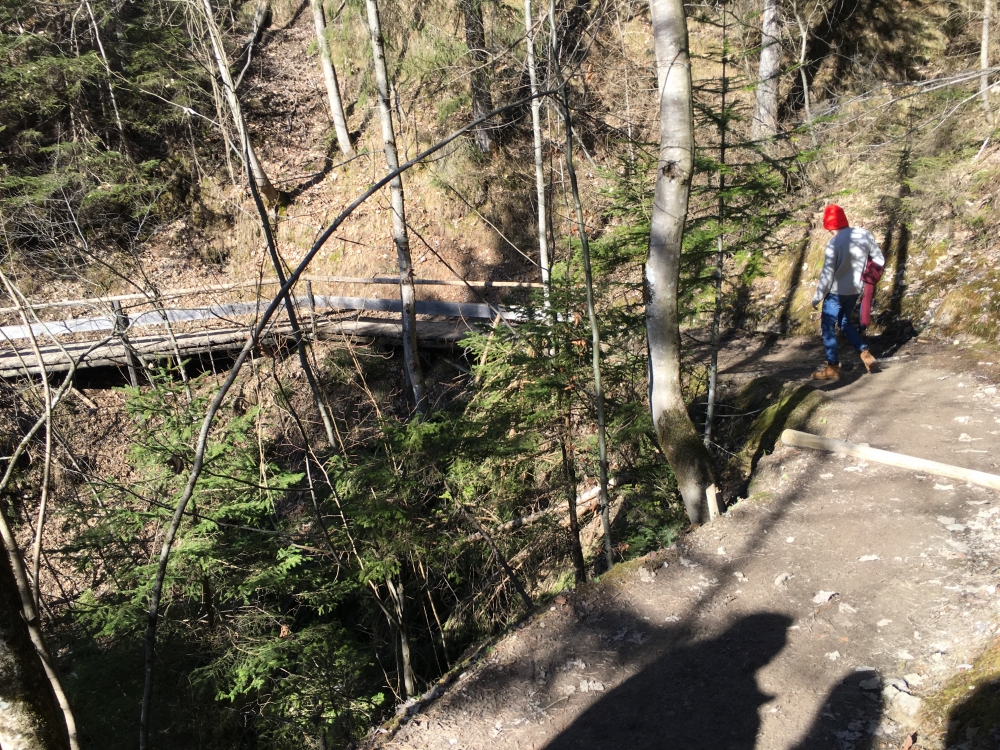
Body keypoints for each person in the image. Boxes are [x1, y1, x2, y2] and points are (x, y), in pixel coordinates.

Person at [810, 204, 884, 380]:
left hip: (836, 292)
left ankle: (832, 367)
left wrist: (817, 297)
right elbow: (879, 259)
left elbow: (827, 274)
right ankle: (865, 354)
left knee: (827, 326)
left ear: (830, 226)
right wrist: (868, 278)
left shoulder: (834, 243)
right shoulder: (864, 234)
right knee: (844, 321)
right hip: (855, 289)